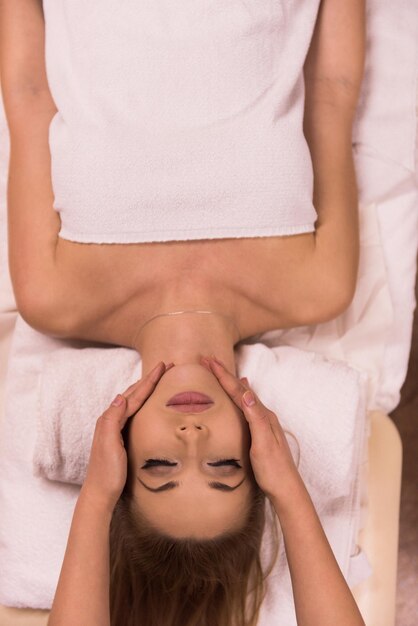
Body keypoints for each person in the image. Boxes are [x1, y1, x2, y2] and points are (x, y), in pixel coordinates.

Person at [0, 0, 366, 624]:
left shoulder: (54, 295)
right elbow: (331, 93)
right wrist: (292, 495)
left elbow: (31, 96)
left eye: (158, 467)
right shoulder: (317, 285)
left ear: (117, 450)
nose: (190, 439)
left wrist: (95, 500)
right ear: (262, 450)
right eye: (225, 467)